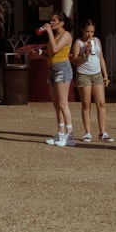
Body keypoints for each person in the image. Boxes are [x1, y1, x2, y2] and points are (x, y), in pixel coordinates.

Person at [73, 20, 113, 142]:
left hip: (97, 74)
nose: (89, 34)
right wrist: (85, 52)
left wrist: (105, 76)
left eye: (92, 31)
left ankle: (102, 132)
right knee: (86, 104)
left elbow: (101, 58)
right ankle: (87, 132)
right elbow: (74, 61)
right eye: (87, 31)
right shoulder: (78, 43)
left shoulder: (97, 41)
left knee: (101, 103)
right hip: (83, 74)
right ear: (82, 30)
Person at [40, 11, 76, 146]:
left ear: (61, 23)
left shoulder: (66, 35)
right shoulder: (55, 35)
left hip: (63, 68)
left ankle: (70, 136)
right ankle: (60, 133)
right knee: (56, 104)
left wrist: (48, 31)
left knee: (63, 103)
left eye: (54, 21)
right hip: (52, 68)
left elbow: (55, 49)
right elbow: (51, 53)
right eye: (51, 21)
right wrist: (41, 53)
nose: (51, 23)